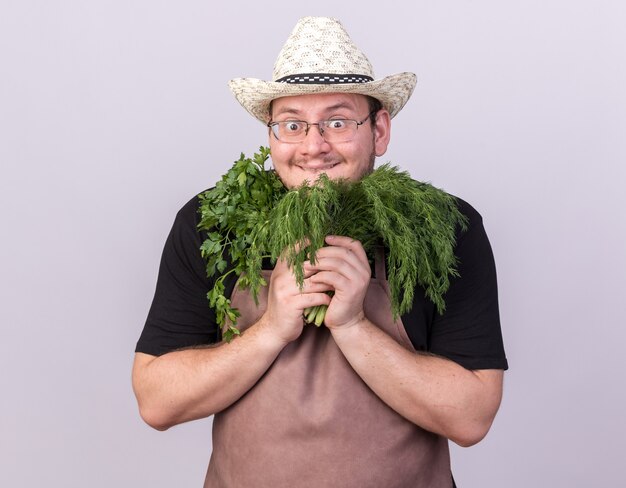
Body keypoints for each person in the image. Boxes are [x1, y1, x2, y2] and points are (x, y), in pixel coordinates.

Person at [132, 16, 507, 488]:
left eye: (337, 121)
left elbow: (471, 417)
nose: (314, 146)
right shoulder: (212, 223)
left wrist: (352, 327)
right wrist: (271, 329)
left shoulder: (447, 228)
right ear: (272, 136)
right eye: (293, 124)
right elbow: (156, 401)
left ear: (381, 130)